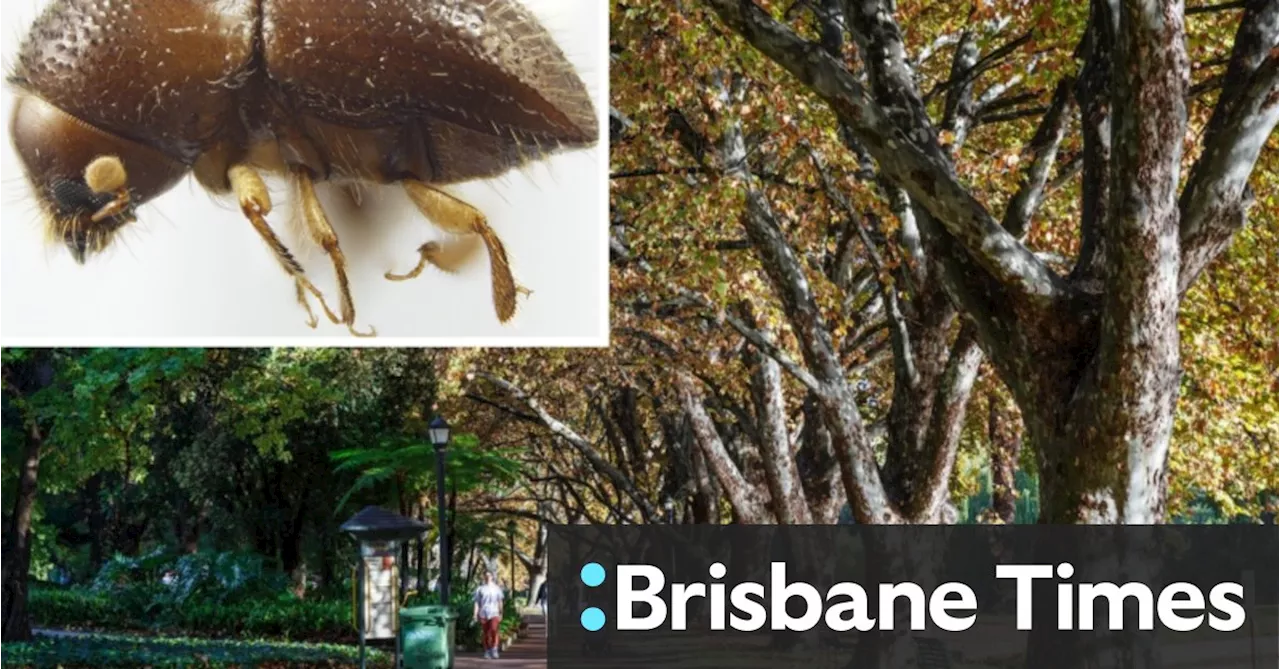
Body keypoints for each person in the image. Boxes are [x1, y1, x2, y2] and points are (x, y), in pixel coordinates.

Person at [473, 571, 505, 659]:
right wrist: (475, 614)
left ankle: (494, 649)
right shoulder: (480, 589)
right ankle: (487, 650)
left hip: (494, 612)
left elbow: (500, 601)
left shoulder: (497, 588)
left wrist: (501, 612)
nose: (487, 577)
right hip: (484, 612)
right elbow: (476, 602)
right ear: (484, 577)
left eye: (489, 575)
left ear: (492, 577)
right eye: (486, 575)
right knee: (486, 632)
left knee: (494, 630)